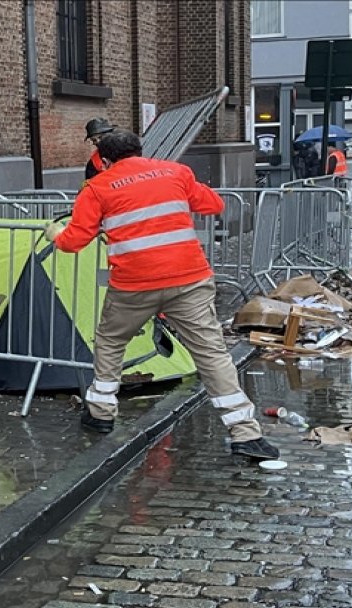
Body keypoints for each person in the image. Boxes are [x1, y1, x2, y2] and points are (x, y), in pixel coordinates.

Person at [45, 129, 279, 462]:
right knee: (211, 353)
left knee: (111, 341)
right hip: (189, 280)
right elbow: (213, 204)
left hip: (134, 285)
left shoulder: (97, 187)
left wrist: (55, 234)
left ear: (105, 160)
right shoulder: (175, 172)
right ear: (140, 150)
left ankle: (100, 414)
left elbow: (73, 241)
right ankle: (246, 433)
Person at [83, 117, 115, 184]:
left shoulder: (125, 152)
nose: (98, 141)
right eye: (94, 140)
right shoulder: (93, 161)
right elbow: (90, 185)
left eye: (100, 137)